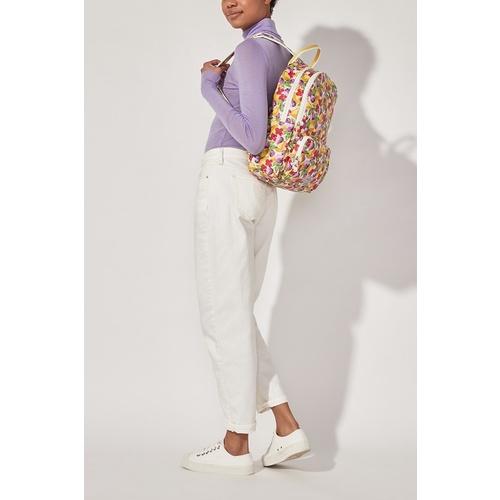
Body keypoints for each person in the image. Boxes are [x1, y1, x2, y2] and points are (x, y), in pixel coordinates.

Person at [181, 0, 311, 475]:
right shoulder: (282, 53)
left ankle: (237, 443)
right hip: (259, 189)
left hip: (228, 176)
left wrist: (209, 87)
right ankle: (285, 425)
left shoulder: (253, 51)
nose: (229, 2)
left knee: (223, 314)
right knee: (236, 309)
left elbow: (253, 136)